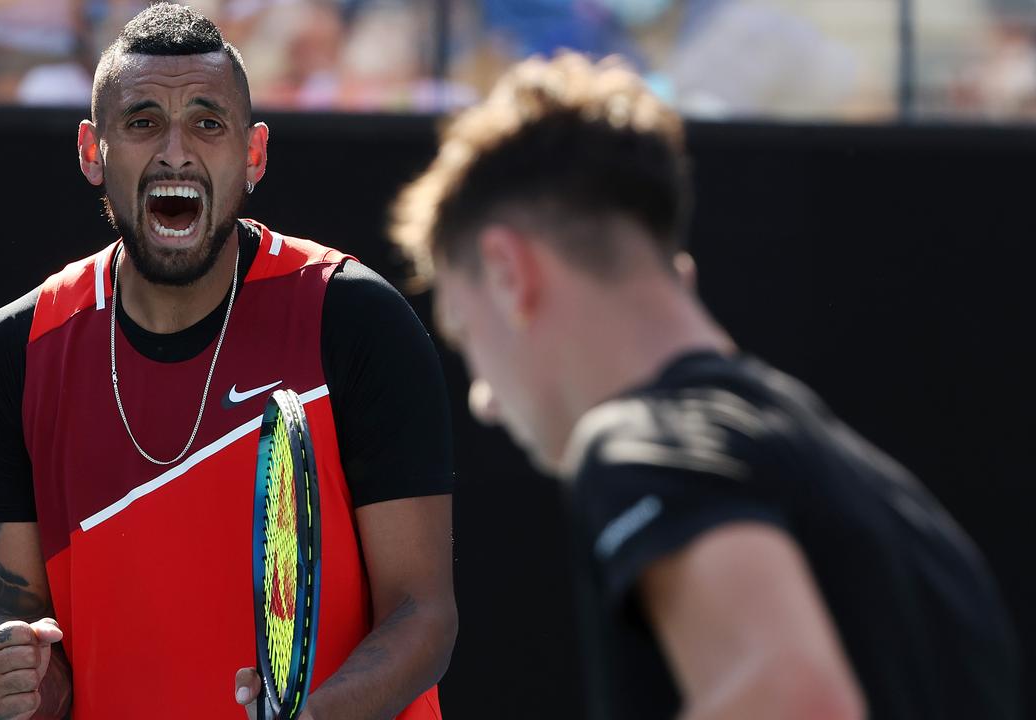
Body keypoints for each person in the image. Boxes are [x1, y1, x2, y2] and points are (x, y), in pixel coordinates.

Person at [391, 53, 1021, 719]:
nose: (482, 399)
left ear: (508, 272)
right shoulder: (898, 509)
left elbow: (798, 702)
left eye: (465, 332)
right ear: (675, 274)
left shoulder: (637, 443)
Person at [0, 4, 456, 719]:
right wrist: (20, 680)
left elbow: (423, 615)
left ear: (253, 155)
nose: (175, 153)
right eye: (141, 122)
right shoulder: (13, 355)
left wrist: (313, 717)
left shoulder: (353, 319)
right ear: (92, 152)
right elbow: (40, 667)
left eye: (207, 122)